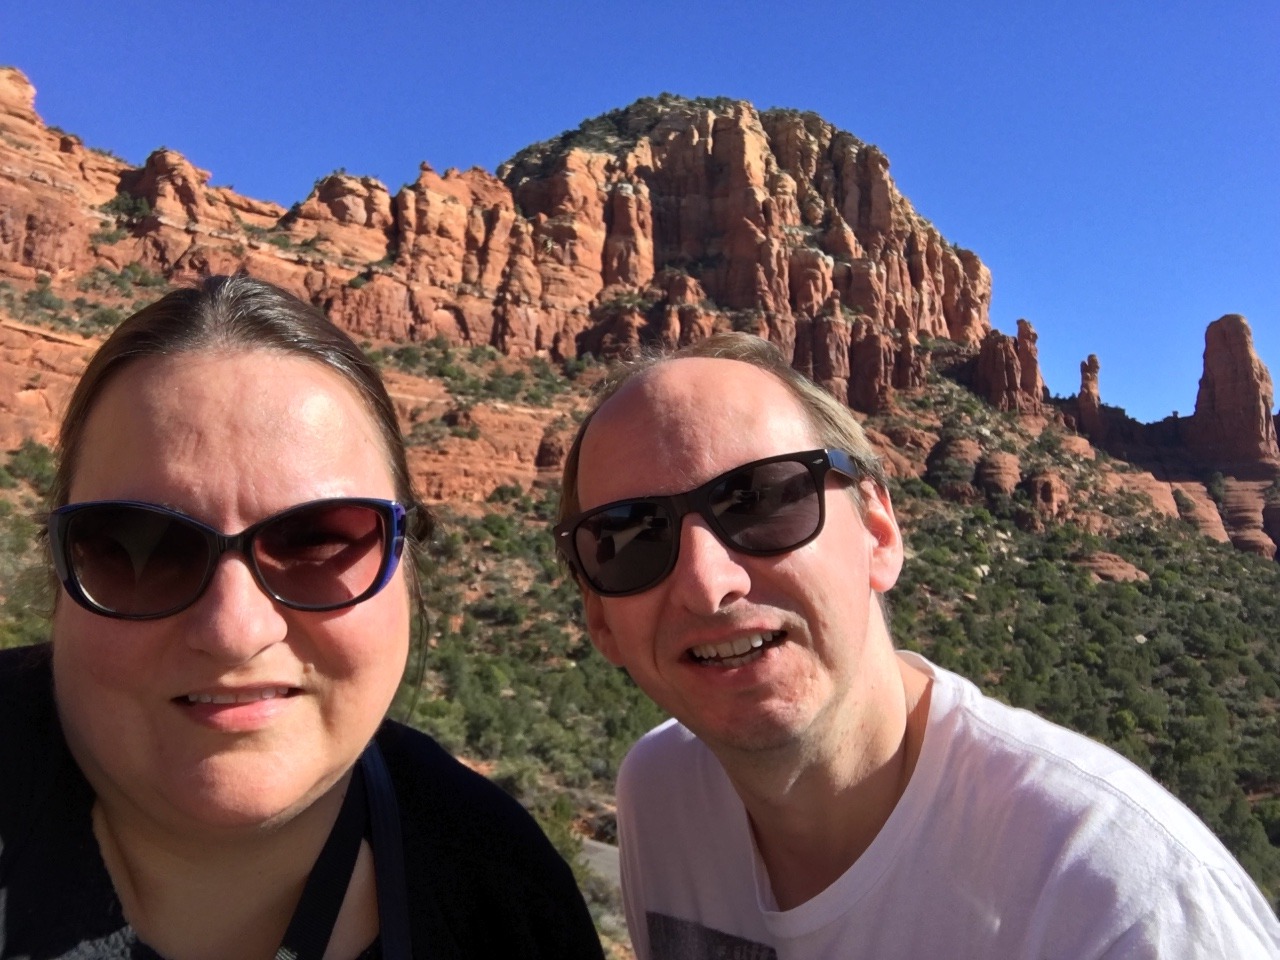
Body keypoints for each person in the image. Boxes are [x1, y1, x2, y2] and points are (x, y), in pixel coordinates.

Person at [553, 332, 1280, 959]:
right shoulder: (660, 797)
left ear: (878, 533)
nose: (707, 583)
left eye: (762, 499)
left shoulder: (1119, 900)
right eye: (629, 537)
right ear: (599, 618)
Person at [0, 275, 605, 959]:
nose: (233, 630)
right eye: (137, 547)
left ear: (410, 565)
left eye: (319, 540)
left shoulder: (506, 901)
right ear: (57, 569)